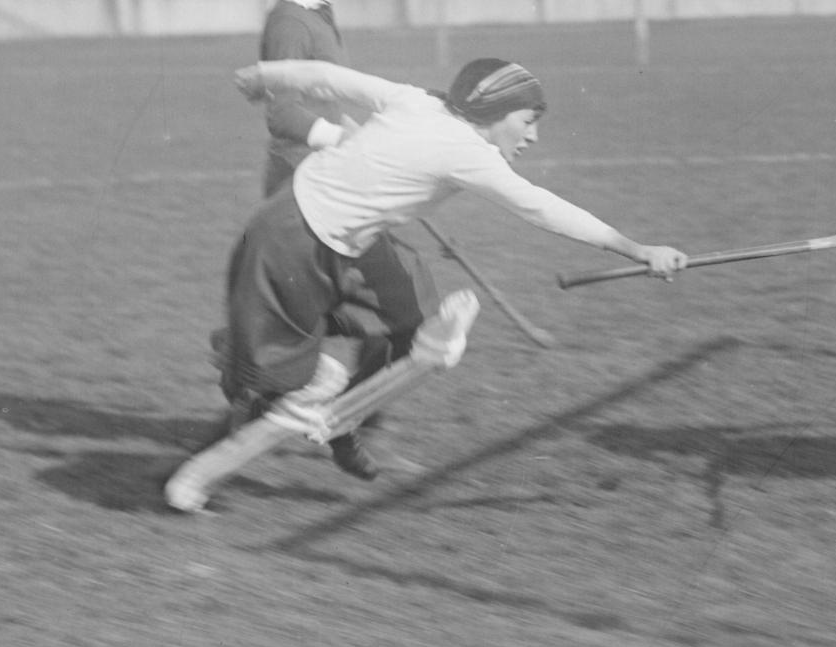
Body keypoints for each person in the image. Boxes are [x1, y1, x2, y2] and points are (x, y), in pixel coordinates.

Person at [165, 55, 686, 512]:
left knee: (417, 327)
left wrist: (266, 76)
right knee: (274, 386)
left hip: (351, 245)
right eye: (527, 121)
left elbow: (327, 79)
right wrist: (638, 249)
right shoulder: (467, 152)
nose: (532, 136)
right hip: (289, 241)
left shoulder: (416, 100)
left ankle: (340, 422)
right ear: (495, 111)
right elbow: (542, 208)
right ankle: (196, 472)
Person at [257, 0, 351, 195]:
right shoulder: (290, 23)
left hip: (324, 174)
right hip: (298, 182)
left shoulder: (314, 15)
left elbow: (325, 105)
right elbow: (282, 113)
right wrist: (342, 139)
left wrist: (361, 137)